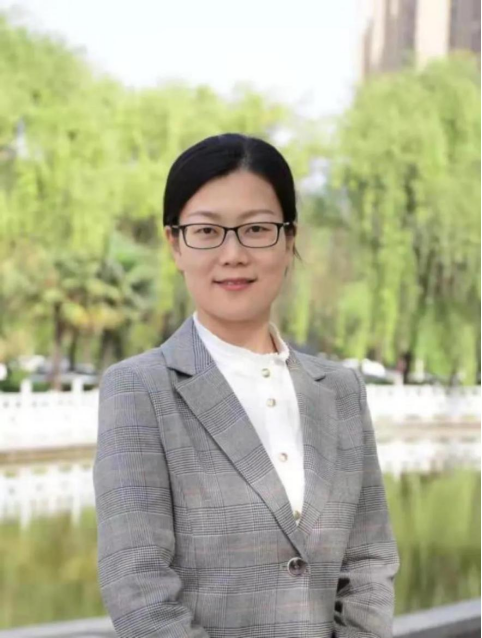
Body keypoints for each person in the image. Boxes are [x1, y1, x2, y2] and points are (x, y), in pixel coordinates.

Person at [93, 133, 400, 638]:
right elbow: (139, 588)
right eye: (207, 231)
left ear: (289, 239)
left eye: (257, 229)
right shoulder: (138, 391)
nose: (233, 253)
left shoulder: (341, 390)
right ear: (175, 244)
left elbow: (369, 562)